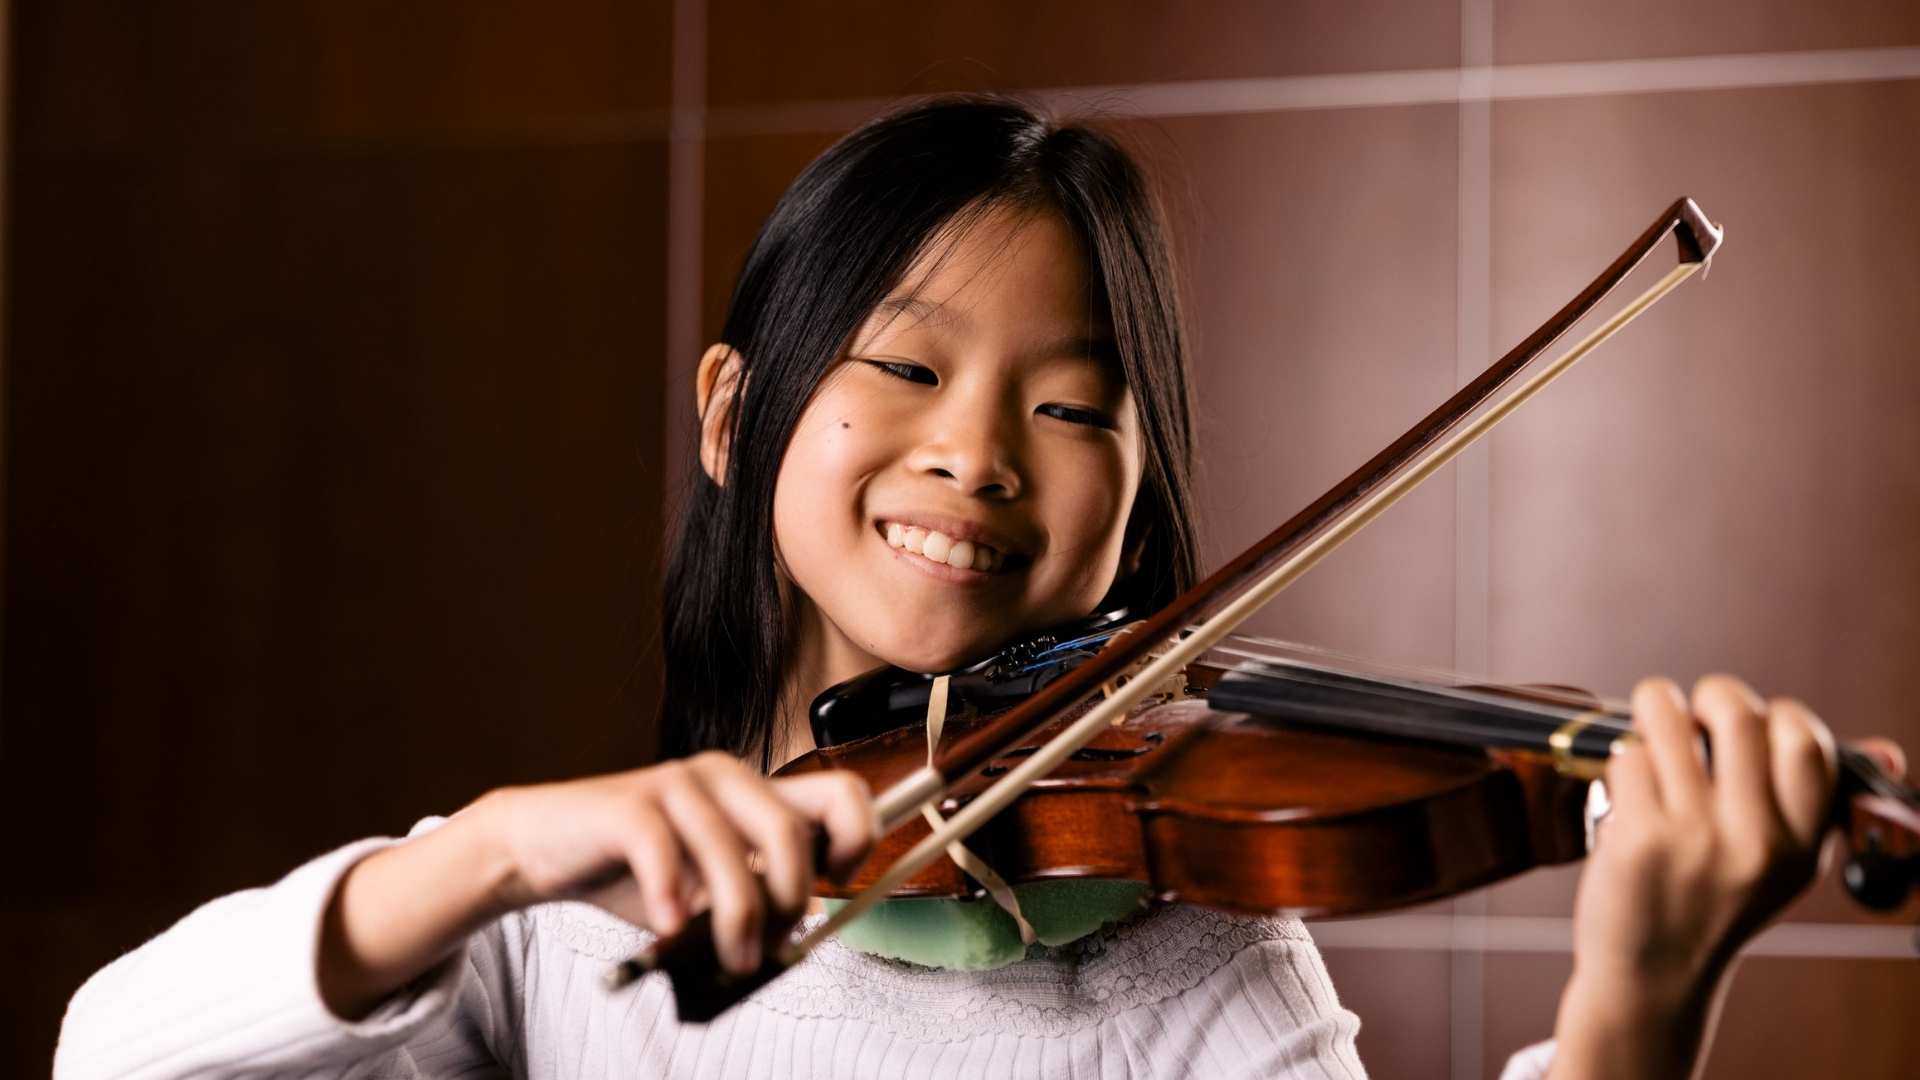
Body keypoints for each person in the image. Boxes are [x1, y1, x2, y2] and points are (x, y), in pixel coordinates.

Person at [55, 95, 1884, 1080]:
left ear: (1143, 507)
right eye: (908, 367)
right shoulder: (564, 924)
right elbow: (109, 1058)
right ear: (732, 413)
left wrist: (1636, 1015)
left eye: (1074, 403)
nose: (980, 455)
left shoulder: (1203, 985)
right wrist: (485, 853)